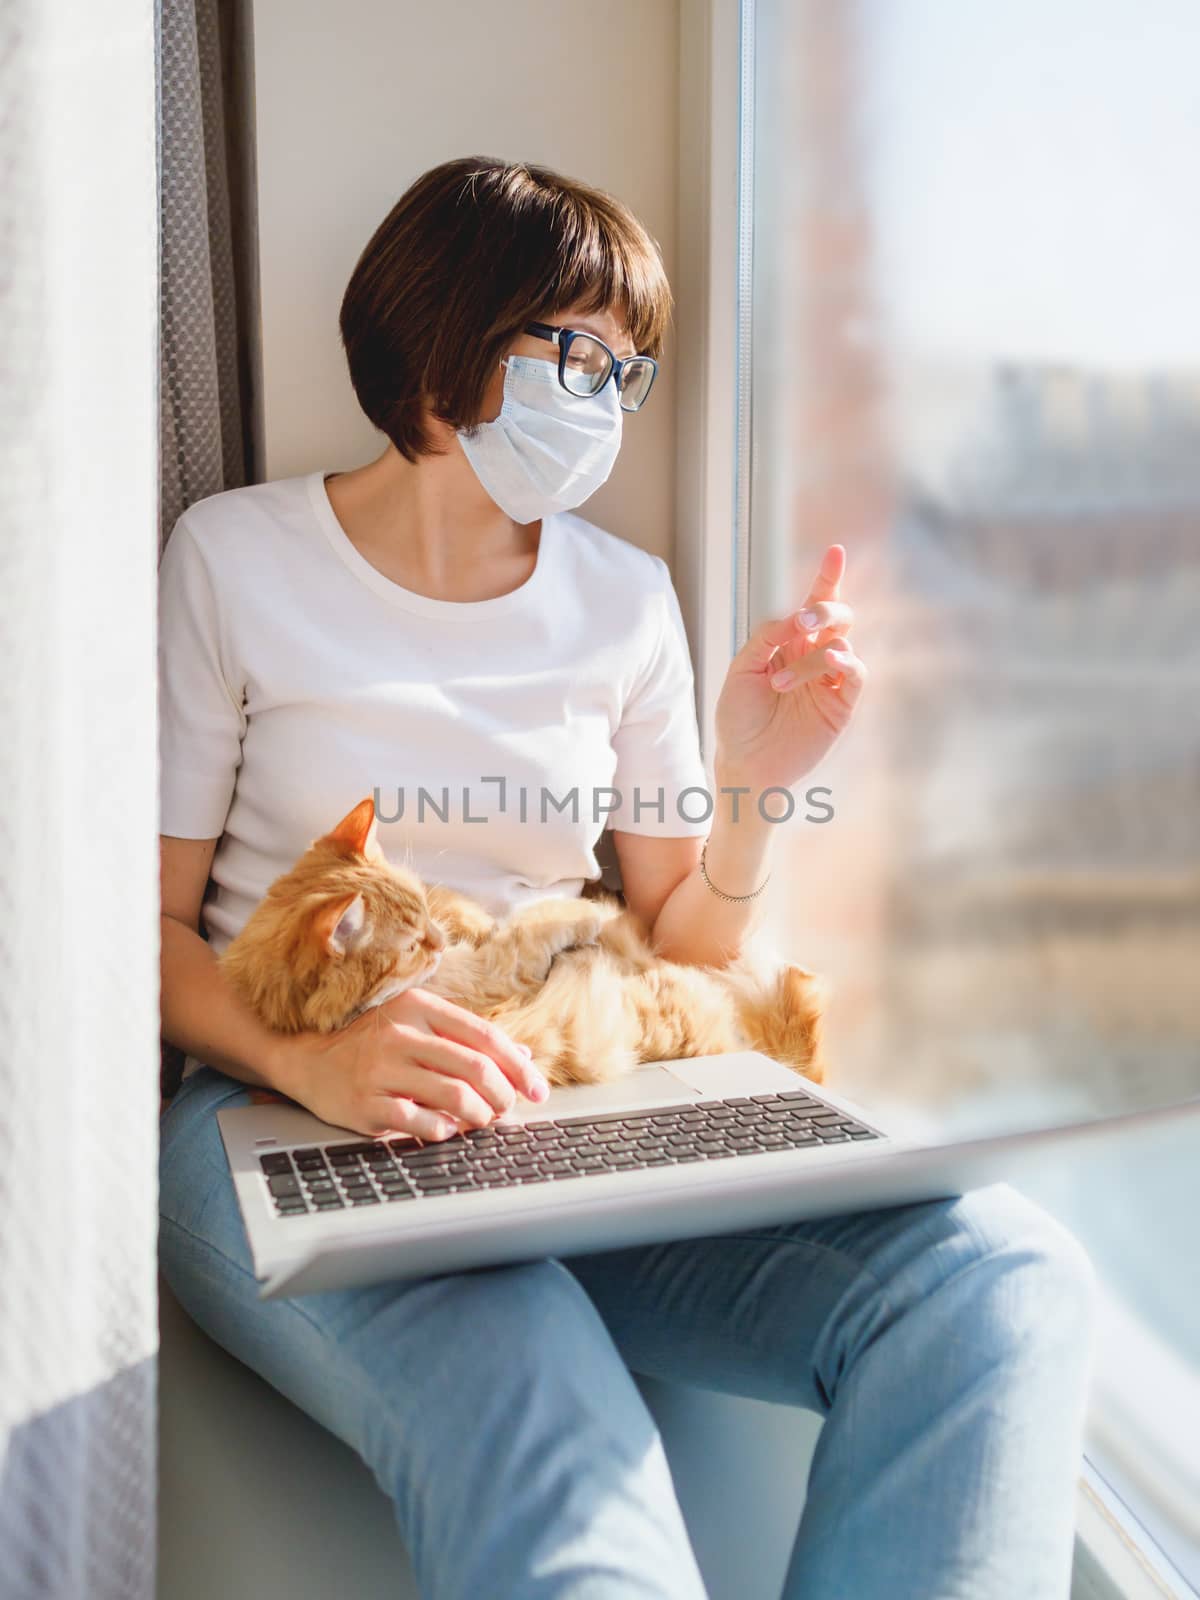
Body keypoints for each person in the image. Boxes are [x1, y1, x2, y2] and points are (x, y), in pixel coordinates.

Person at [157, 156, 1097, 1600]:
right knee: (549, 1420)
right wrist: (318, 1059)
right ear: (446, 330)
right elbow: (142, 931)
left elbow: (687, 944)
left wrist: (753, 796)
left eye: (629, 369)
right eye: (576, 352)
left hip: (565, 1100)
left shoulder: (624, 600)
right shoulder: (236, 561)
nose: (604, 396)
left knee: (998, 1283)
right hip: (279, 1118)